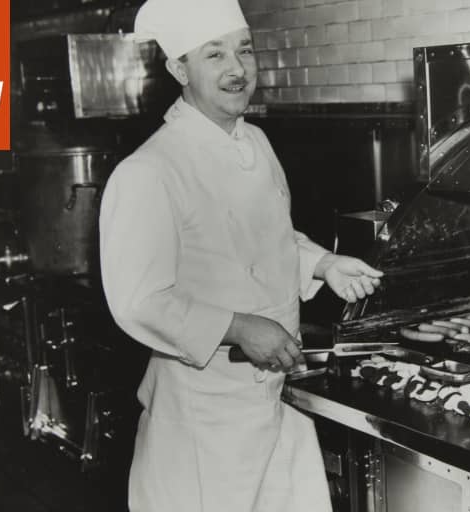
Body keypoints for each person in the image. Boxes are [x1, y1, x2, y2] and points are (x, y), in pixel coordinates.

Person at [98, 0, 384, 510]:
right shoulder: (149, 171)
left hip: (277, 402)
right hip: (203, 422)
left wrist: (323, 264)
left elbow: (265, 240)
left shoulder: (255, 141)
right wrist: (238, 326)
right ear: (179, 69)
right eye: (215, 55)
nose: (237, 68)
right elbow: (139, 301)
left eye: (244, 49)